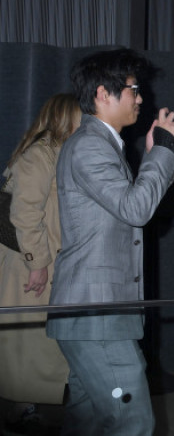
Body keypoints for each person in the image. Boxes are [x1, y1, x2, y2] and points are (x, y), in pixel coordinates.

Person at [45, 49, 174, 435]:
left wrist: (153, 154)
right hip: (97, 315)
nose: (140, 98)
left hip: (92, 314)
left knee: (88, 422)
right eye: (133, 90)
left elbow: (128, 207)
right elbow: (136, 209)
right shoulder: (90, 145)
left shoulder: (100, 144)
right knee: (131, 422)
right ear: (103, 94)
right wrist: (164, 150)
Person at [0, 94, 81, 433]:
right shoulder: (40, 154)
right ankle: (21, 412)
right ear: (65, 117)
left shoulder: (56, 151)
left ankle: (31, 408)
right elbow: (24, 214)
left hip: (41, 260)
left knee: (36, 342)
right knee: (27, 344)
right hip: (29, 263)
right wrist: (37, 263)